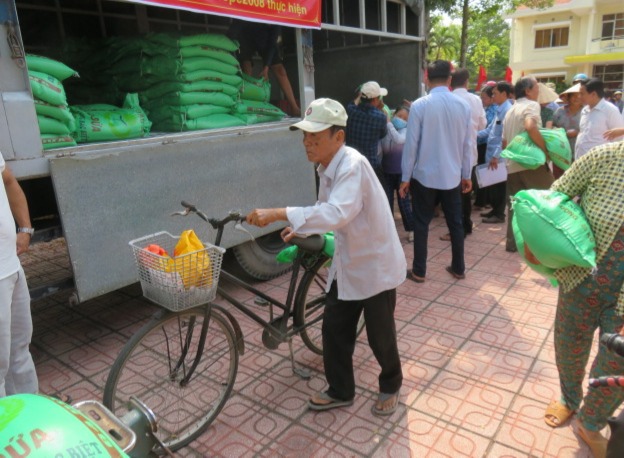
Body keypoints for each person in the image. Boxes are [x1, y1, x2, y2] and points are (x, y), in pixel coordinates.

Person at [246, 98, 405, 416]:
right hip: (349, 262)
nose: (307, 143)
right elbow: (327, 212)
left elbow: (336, 213)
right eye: (305, 136)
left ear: (338, 136)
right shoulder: (328, 167)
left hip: (375, 264)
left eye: (315, 136)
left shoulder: (352, 165)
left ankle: (391, 383)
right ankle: (340, 390)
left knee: (380, 335)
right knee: (334, 329)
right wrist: (299, 228)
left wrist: (279, 213)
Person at [542, 141, 624, 458]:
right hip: (581, 281)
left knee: (617, 362)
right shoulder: (605, 157)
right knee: (569, 345)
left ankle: (591, 422)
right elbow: (556, 195)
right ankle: (569, 398)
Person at [400, 60, 473, 282]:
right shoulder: (463, 106)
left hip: (424, 176)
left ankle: (419, 271)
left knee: (421, 224)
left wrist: (405, 177)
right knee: (455, 223)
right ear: (450, 79)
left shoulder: (420, 105)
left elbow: (411, 145)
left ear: (427, 78)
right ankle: (459, 268)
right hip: (452, 176)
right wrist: (466, 174)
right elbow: (467, 145)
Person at [502, 76, 555, 252]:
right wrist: (545, 150)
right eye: (537, 88)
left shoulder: (510, 110)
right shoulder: (531, 105)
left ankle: (512, 243)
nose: (539, 91)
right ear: (528, 91)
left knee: (515, 207)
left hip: (513, 166)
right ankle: (543, 246)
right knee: (547, 202)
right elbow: (530, 126)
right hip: (532, 165)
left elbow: (504, 142)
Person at [0, 152, 38, 398]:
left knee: (20, 352)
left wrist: (25, 228)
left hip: (11, 267)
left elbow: (8, 179)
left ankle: (31, 411)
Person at [439, 68, 485, 242]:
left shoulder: (446, 100)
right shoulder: (475, 100)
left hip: (450, 154)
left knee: (452, 194)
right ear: (467, 81)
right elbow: (482, 125)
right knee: (466, 192)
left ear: (450, 81)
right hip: (470, 153)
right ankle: (466, 225)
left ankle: (457, 229)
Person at [228, 20, 300, 116]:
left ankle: (295, 108)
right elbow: (235, 26)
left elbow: (273, 42)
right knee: (246, 69)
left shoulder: (276, 19)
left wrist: (266, 67)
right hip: (245, 34)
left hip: (264, 38)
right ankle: (245, 106)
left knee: (280, 70)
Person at [478, 81, 514, 224]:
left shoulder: (507, 110)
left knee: (499, 186)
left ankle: (499, 214)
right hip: (492, 154)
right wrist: (473, 135)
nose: (493, 96)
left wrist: (496, 155)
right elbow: (490, 130)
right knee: (493, 185)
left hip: (498, 156)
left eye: (495, 94)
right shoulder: (499, 109)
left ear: (504, 94)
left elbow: (505, 137)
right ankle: (494, 210)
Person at [381, 106, 415, 242]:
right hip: (386, 172)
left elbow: (399, 139)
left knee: (403, 202)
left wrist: (389, 123)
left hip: (401, 173)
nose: (401, 120)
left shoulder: (406, 131)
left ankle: (412, 229)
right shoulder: (385, 130)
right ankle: (388, 231)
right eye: (400, 116)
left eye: (405, 119)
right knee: (387, 202)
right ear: (394, 114)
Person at [345, 81, 388, 185]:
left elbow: (354, 102)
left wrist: (360, 95)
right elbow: (383, 134)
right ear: (375, 99)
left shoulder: (350, 110)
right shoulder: (381, 117)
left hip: (350, 163)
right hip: (370, 165)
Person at [575, 78, 624, 160]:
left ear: (593, 94)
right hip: (581, 160)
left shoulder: (610, 110)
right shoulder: (584, 110)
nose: (579, 96)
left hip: (600, 162)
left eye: (582, 94)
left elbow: (619, 138)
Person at [473, 85, 497, 209]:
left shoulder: (495, 110)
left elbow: (489, 130)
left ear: (492, 98)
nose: (482, 100)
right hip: (480, 142)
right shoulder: (486, 108)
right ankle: (484, 200)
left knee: (483, 172)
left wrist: (473, 134)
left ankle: (482, 201)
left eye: (484, 98)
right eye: (481, 98)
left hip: (486, 144)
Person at [552, 83, 582, 178]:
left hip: (579, 150)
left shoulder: (586, 112)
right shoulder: (559, 111)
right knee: (559, 178)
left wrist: (577, 132)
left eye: (579, 95)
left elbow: (591, 130)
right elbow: (552, 127)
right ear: (568, 97)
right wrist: (561, 133)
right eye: (573, 96)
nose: (576, 98)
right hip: (560, 150)